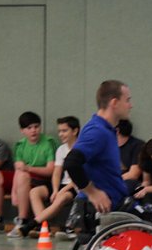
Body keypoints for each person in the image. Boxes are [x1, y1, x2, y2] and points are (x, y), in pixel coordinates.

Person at [63, 80, 132, 215]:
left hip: (118, 203)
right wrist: (92, 193)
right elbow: (71, 162)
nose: (131, 105)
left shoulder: (108, 130)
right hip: (105, 211)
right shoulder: (97, 131)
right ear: (114, 103)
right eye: (127, 100)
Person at [15, 116, 80, 238]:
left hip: (77, 185)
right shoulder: (61, 149)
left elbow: (79, 176)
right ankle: (44, 227)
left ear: (75, 131)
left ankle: (32, 224)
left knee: (61, 198)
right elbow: (56, 172)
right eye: (59, 131)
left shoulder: (82, 148)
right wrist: (55, 190)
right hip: (63, 184)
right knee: (34, 192)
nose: (60, 134)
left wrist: (62, 191)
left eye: (64, 131)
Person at [8, 111, 58, 238]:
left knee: (25, 177)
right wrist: (14, 192)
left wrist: (29, 168)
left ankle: (31, 222)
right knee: (22, 176)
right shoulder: (20, 145)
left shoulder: (49, 142)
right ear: (22, 131)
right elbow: (18, 170)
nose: (33, 130)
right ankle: (22, 220)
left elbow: (50, 170)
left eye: (36, 126)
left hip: (46, 181)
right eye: (29, 128)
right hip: (27, 180)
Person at [117, 119, 144, 194]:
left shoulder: (138, 145)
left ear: (116, 131)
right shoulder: (108, 146)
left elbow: (133, 174)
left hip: (134, 182)